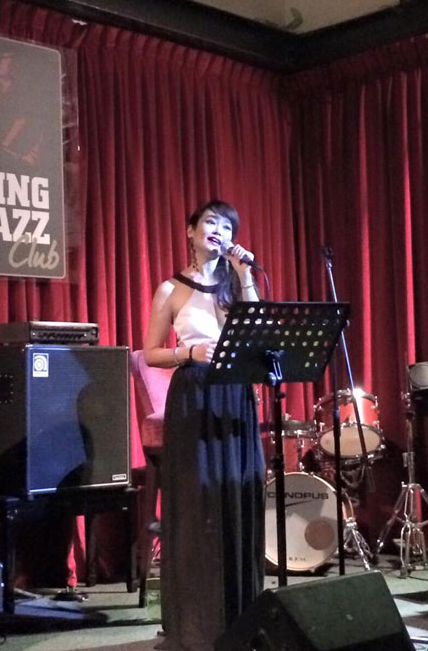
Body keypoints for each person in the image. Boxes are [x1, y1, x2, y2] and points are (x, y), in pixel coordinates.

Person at [144, 200, 265, 651]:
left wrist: (245, 274)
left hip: (236, 394)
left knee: (237, 495)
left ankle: (242, 616)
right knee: (200, 504)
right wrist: (188, 353)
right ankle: (196, 624)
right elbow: (150, 353)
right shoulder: (170, 289)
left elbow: (257, 331)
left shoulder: (237, 282)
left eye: (228, 226)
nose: (219, 230)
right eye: (211, 222)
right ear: (191, 231)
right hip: (194, 395)